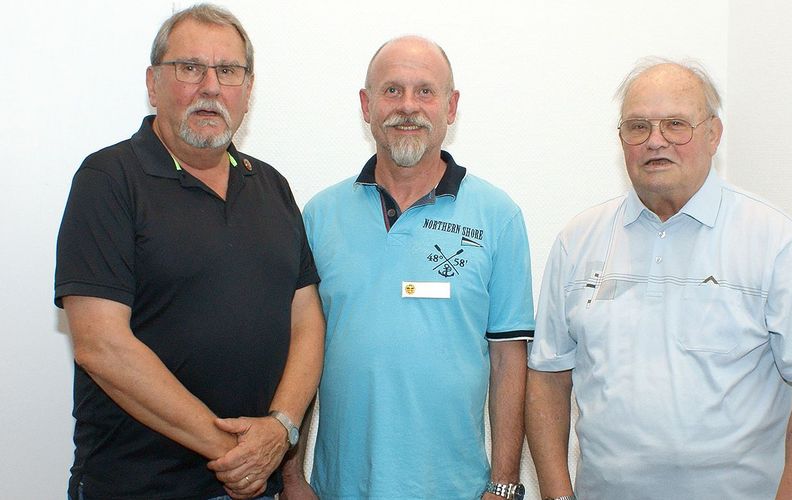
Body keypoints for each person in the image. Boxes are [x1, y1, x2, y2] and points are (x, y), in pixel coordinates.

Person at [526, 58, 792, 500]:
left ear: (713, 134)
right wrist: (556, 494)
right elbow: (548, 377)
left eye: (676, 124)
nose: (655, 141)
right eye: (638, 126)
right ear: (621, 139)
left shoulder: (776, 242)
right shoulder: (578, 241)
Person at [54, 4, 324, 499]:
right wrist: (236, 452)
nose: (211, 87)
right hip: (138, 486)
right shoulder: (108, 180)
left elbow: (306, 319)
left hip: (257, 481)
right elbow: (101, 345)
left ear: (248, 89)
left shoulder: (271, 186)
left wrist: (280, 428)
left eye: (228, 71)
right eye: (190, 68)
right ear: (153, 83)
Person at [282, 36, 534, 500]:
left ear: (451, 106)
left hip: (457, 489)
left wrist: (503, 485)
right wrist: (293, 478)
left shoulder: (498, 217)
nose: (408, 107)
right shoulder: (319, 216)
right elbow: (298, 353)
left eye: (425, 91)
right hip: (341, 487)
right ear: (366, 104)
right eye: (392, 91)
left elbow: (508, 360)